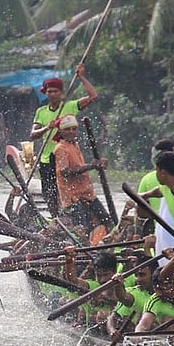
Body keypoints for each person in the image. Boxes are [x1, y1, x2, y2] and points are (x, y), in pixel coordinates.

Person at [29, 64, 99, 214]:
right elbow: (33, 135)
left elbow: (93, 96)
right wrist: (47, 128)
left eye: (56, 91)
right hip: (48, 158)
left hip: (67, 155)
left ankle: (73, 216)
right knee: (50, 193)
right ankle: (56, 219)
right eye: (50, 91)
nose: (53, 94)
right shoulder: (41, 112)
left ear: (61, 93)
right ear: (46, 93)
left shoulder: (70, 106)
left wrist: (81, 77)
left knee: (70, 189)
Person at [51, 114, 110, 231]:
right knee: (81, 230)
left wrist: (97, 165)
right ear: (61, 132)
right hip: (73, 199)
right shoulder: (60, 148)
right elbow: (65, 172)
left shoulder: (75, 145)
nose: (71, 132)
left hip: (88, 195)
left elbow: (80, 167)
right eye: (67, 129)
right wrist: (91, 166)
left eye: (74, 129)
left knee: (108, 222)